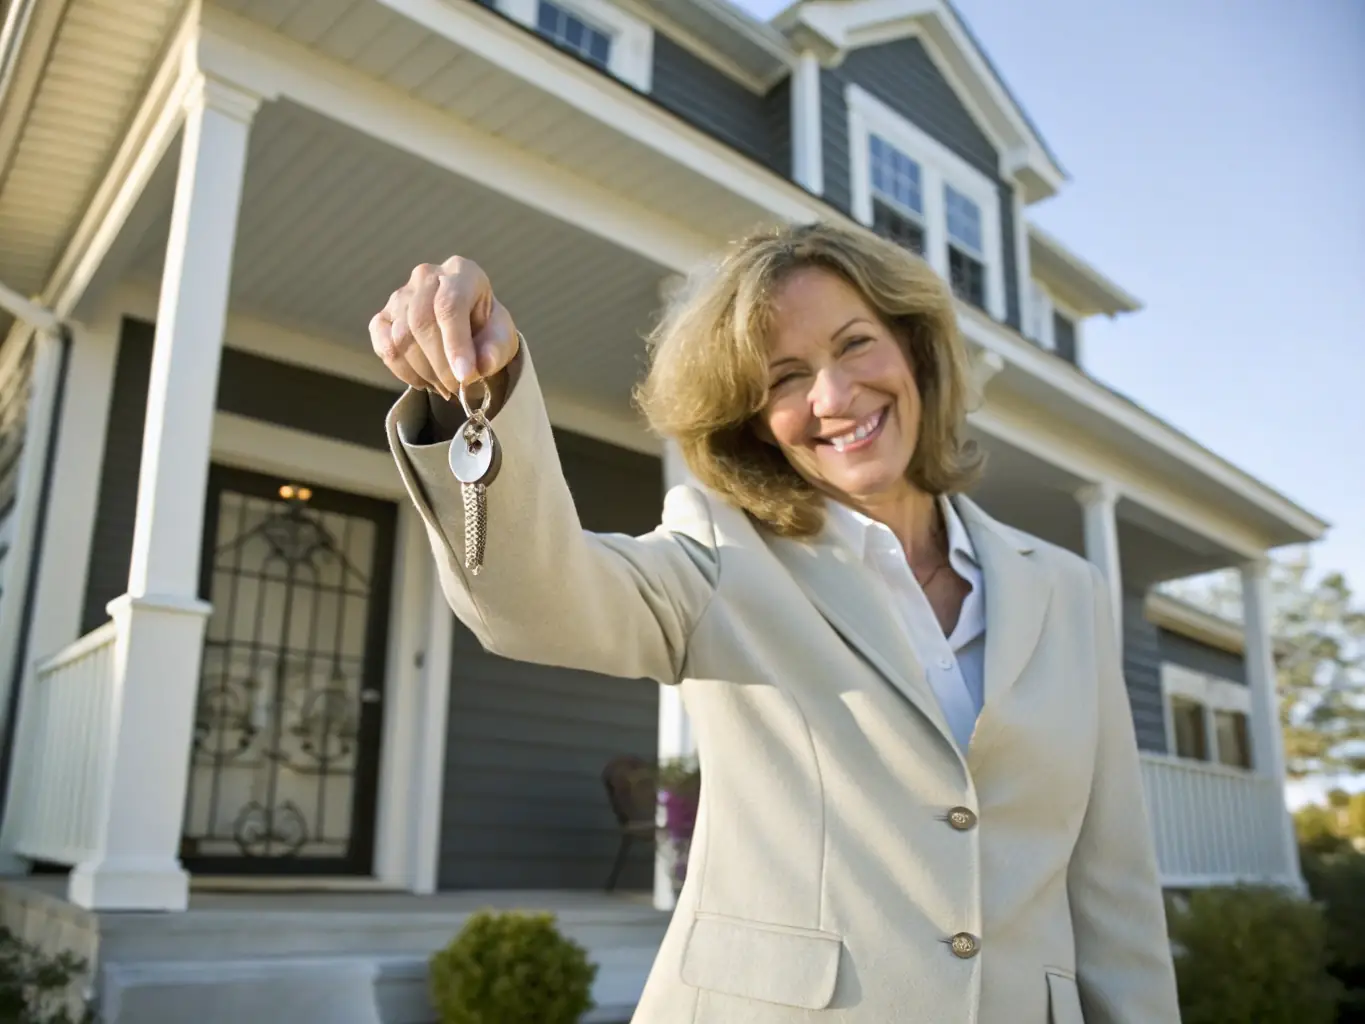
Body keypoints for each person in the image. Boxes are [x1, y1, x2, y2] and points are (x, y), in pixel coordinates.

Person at [371, 222, 1180, 1023]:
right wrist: (473, 390)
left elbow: (1114, 895)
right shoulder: (717, 552)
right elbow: (533, 604)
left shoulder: (1069, 593)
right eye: (785, 377)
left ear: (913, 349)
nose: (833, 398)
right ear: (753, 419)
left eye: (856, 343)